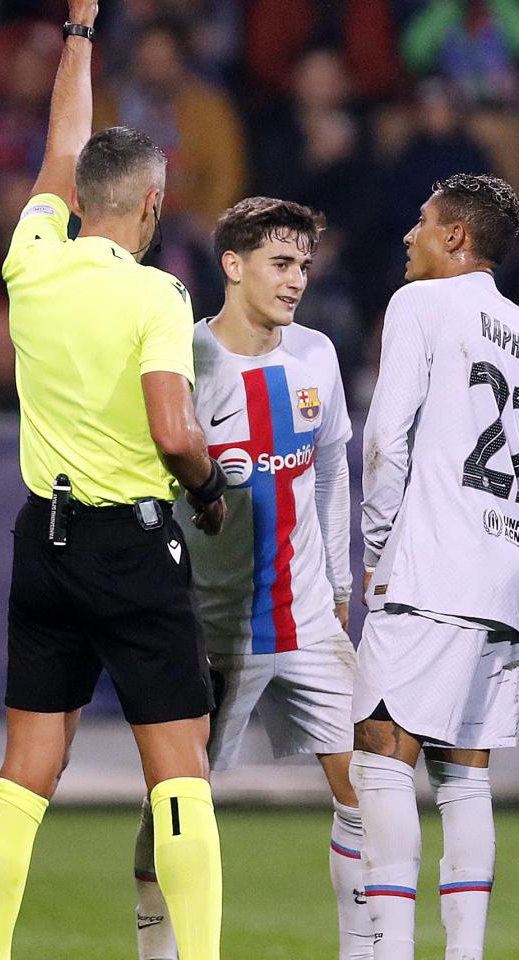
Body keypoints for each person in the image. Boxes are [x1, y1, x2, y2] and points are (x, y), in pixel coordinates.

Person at [0, 6, 229, 960]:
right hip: (132, 544)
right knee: (179, 771)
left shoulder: (30, 262)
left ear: (77, 200)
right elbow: (172, 430)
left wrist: (78, 29)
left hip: (44, 540)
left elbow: (58, 147)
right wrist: (208, 488)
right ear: (153, 206)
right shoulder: (157, 293)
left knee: (26, 771)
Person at [129, 197, 370, 960]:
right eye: (281, 263)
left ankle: (367, 950)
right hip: (214, 628)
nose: (297, 279)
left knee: (370, 788)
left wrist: (340, 579)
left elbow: (329, 469)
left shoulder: (317, 355)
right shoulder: (184, 359)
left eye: (304, 264)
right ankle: (157, 946)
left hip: (308, 618)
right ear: (232, 266)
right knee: (177, 802)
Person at [352, 173, 519, 960]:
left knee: (381, 751)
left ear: (456, 236)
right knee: (464, 774)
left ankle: (392, 949)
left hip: (431, 565)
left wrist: (378, 549)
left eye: (423, 222)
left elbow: (384, 438)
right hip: (502, 574)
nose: (410, 235)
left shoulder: (421, 304)